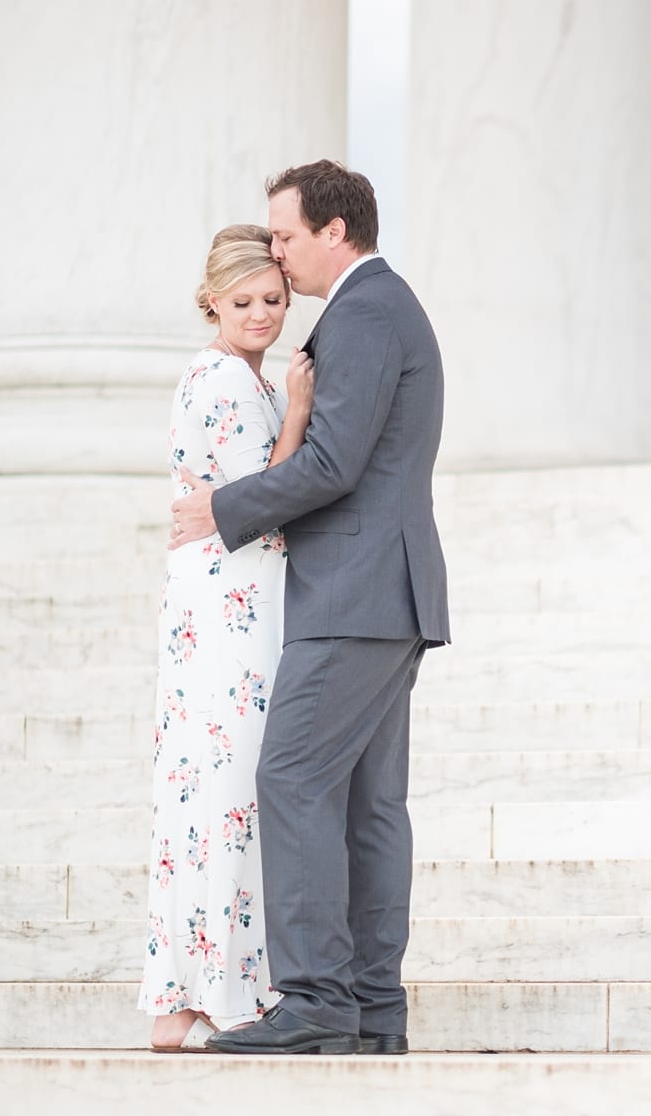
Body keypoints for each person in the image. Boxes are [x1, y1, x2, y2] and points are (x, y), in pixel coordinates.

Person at [168, 160, 451, 1056]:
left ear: (336, 231)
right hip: (380, 592)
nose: (280, 260)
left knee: (290, 778)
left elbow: (335, 466)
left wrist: (223, 509)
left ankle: (318, 1000)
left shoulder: (365, 314)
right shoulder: (381, 308)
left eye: (286, 237)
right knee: (368, 805)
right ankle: (370, 1008)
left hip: (356, 594)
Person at [141, 225, 312, 1051]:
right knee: (231, 785)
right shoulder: (229, 381)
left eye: (274, 300)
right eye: (242, 302)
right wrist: (304, 409)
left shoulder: (228, 376)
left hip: (220, 594)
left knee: (205, 785)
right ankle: (224, 985)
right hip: (234, 599)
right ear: (211, 301)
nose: (261, 315)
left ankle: (181, 994)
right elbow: (265, 492)